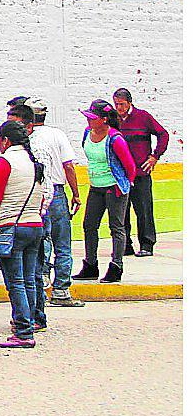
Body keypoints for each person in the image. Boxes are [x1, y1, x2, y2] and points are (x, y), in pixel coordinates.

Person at [0, 120, 48, 348]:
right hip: (34, 226)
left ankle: (24, 331)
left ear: (5, 140)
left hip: (12, 227)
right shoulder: (34, 163)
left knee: (15, 282)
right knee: (29, 280)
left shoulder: (5, 161)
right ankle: (31, 322)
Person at [22, 98, 85, 308]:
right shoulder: (57, 135)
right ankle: (61, 290)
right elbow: (69, 166)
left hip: (36, 192)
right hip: (57, 191)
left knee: (41, 241)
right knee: (63, 243)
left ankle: (42, 280)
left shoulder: (26, 138)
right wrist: (76, 193)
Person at [72, 99, 137, 284]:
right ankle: (90, 265)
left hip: (113, 187)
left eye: (93, 118)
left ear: (105, 119)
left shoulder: (115, 139)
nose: (89, 121)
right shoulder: (87, 133)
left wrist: (123, 185)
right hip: (96, 187)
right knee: (89, 225)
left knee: (116, 227)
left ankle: (116, 266)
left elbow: (130, 167)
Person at [114, 88, 169, 257]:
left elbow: (163, 134)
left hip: (141, 173)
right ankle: (126, 245)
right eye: (116, 104)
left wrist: (154, 157)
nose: (119, 108)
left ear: (129, 103)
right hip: (122, 174)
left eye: (122, 104)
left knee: (144, 209)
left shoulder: (143, 117)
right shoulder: (113, 120)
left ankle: (146, 244)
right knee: (121, 212)